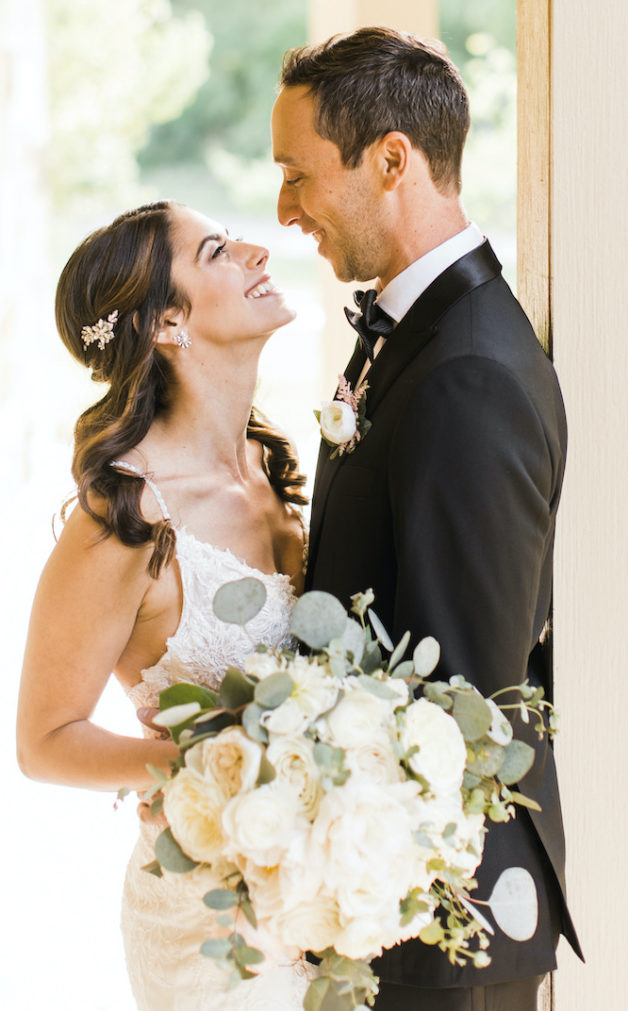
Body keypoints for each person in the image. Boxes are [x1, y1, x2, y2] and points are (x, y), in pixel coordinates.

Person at [271, 26, 583, 1011]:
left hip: (441, 917)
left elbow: (461, 693)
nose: (286, 211)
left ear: (392, 159)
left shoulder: (468, 376)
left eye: (298, 174)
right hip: (399, 904)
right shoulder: (423, 334)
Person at [16, 200, 313, 1010]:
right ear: (165, 324)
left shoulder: (273, 464)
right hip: (208, 923)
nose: (256, 250)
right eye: (218, 249)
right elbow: (43, 740)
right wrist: (208, 760)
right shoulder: (128, 519)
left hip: (319, 887)